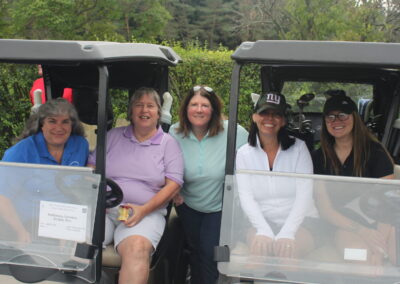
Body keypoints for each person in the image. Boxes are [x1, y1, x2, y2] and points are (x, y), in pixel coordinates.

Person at [88, 87, 184, 284]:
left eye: (150, 106)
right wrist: (94, 199)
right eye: (139, 105)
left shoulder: (168, 144)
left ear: (159, 112)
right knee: (75, 239)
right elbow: (90, 168)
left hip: (145, 214)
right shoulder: (113, 136)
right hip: (104, 210)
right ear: (131, 112)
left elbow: (173, 184)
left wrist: (143, 210)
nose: (144, 110)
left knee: (137, 248)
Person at [169, 85, 248, 284]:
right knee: (195, 250)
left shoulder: (234, 132)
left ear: (213, 110)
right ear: (186, 109)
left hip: (220, 205)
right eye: (194, 104)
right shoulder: (175, 132)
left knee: (208, 250)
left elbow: (251, 160)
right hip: (188, 204)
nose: (199, 109)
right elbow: (166, 163)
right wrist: (172, 189)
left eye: (205, 105)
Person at [312, 91, 395, 265]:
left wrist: (379, 251)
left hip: (382, 224)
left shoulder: (375, 152)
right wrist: (362, 231)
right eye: (331, 117)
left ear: (354, 117)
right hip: (344, 226)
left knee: (393, 256)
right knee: (360, 258)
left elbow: (388, 207)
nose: (337, 121)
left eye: (343, 115)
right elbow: (325, 209)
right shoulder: (320, 157)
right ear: (325, 121)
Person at [236, 92, 319, 259]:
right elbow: (246, 196)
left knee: (288, 254)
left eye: (276, 114)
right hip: (262, 221)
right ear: (254, 117)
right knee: (258, 254)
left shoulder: (299, 149)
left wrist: (288, 233)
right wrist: (263, 229)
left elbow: (304, 195)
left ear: (283, 120)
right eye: (264, 113)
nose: (270, 119)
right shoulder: (244, 154)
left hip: (301, 222)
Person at [1, 98, 88, 241]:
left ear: (72, 125)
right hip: (31, 223)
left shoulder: (80, 145)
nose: (59, 128)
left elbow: (86, 185)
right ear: (41, 124)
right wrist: (19, 232)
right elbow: (2, 198)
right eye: (52, 121)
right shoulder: (21, 152)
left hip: (70, 220)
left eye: (65, 121)